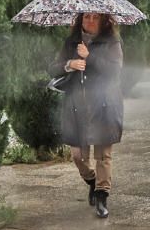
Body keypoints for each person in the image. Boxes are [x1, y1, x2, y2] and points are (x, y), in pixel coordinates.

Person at [48, 12, 124, 218]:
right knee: (77, 155)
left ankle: (102, 196)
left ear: (104, 20)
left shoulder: (112, 42)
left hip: (104, 105)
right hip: (77, 106)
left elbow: (115, 72)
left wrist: (90, 57)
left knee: (103, 156)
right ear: (81, 19)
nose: (90, 21)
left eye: (95, 17)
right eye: (86, 17)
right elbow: (52, 69)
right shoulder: (72, 41)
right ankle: (92, 181)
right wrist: (69, 64)